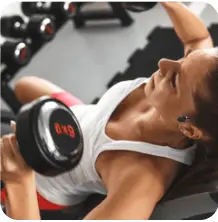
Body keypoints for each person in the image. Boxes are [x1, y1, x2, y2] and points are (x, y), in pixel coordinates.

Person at [0, 1, 216, 220]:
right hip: (83, 116)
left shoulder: (143, 179)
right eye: (184, 59)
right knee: (24, 85)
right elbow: (197, 40)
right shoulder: (195, 82)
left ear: (189, 128)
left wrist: (18, 181)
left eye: (174, 81)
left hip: (43, 180)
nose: (163, 64)